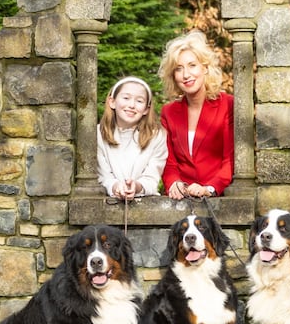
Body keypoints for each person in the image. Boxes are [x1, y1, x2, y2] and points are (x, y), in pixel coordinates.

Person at [158, 30, 233, 200]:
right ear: (173, 76)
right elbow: (168, 161)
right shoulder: (168, 112)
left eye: (192, 65)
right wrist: (174, 183)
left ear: (205, 68)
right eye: (178, 69)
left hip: (216, 198)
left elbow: (230, 160)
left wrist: (210, 188)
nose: (186, 75)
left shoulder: (227, 104)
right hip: (181, 200)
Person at [97, 76, 168, 200]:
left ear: (146, 109)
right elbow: (102, 176)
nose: (131, 105)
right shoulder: (98, 134)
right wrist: (116, 186)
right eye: (126, 98)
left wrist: (136, 186)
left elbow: (152, 178)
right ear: (112, 102)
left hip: (144, 206)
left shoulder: (157, 136)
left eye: (139, 101)